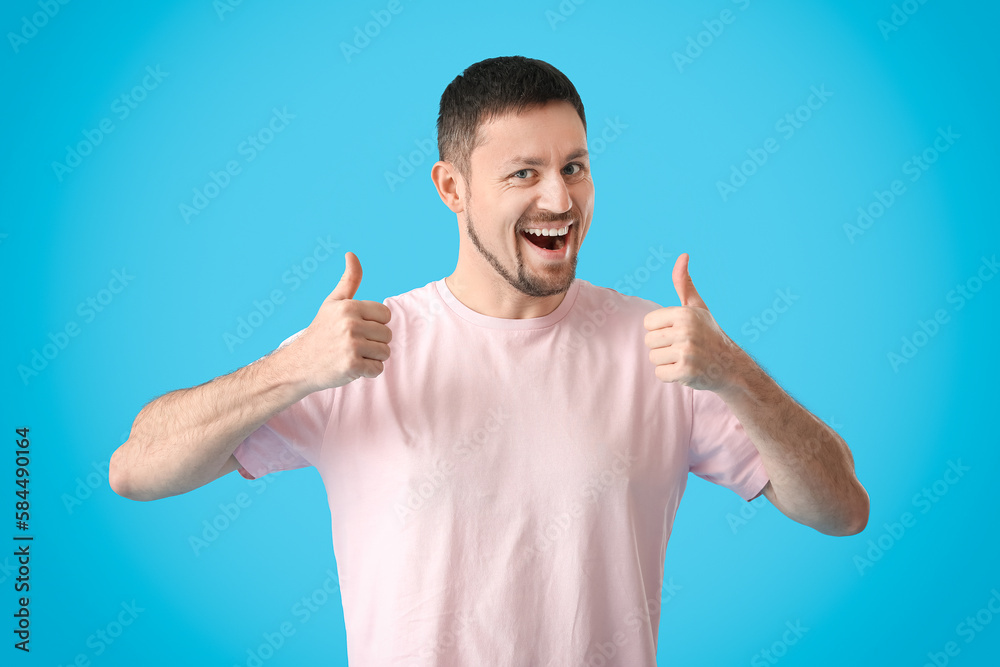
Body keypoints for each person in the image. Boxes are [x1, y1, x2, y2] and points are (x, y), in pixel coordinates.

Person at [110, 55, 869, 665]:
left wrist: (739, 376)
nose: (560, 199)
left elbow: (843, 508)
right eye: (522, 173)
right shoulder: (358, 349)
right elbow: (136, 468)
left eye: (575, 166)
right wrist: (292, 371)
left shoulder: (665, 351)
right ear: (452, 189)